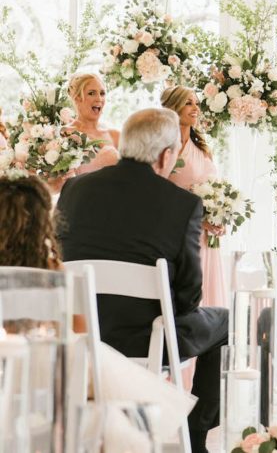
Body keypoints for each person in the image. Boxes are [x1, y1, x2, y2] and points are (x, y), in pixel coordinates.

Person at [56, 108, 228, 453]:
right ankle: (196, 435)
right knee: (224, 320)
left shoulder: (74, 190)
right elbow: (188, 298)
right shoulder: (183, 205)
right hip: (148, 340)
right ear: (166, 155)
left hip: (81, 336)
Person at [0, 172, 195, 443]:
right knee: (102, 392)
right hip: (47, 370)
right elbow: (82, 332)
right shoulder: (52, 270)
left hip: (7, 367)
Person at [162, 85, 226, 308]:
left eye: (196, 103)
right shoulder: (164, 150)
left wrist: (220, 216)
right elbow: (161, 196)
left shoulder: (202, 149)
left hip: (205, 238)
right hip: (178, 235)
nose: (195, 108)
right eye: (188, 103)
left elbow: (214, 189)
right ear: (173, 107)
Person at [49, 73, 120, 193]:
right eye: (92, 93)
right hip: (81, 204)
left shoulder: (115, 135)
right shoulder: (64, 135)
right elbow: (52, 186)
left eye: (102, 93)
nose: (99, 99)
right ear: (77, 98)